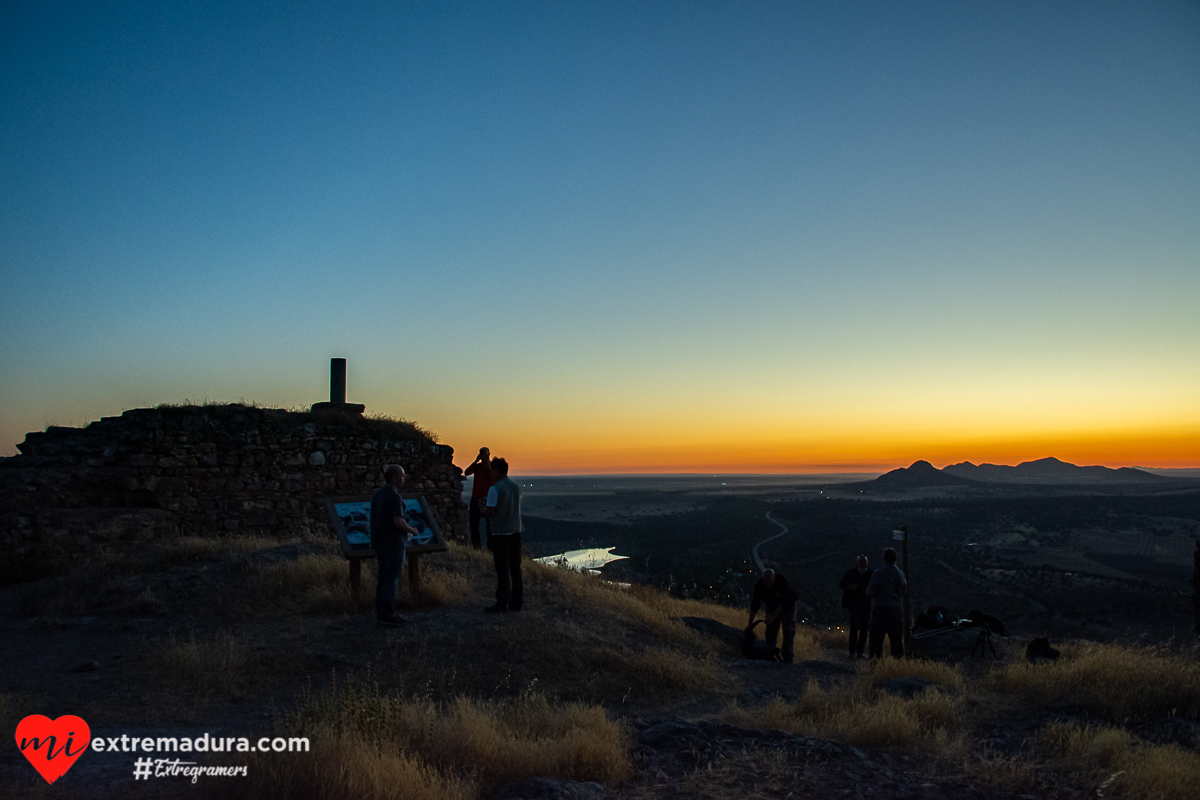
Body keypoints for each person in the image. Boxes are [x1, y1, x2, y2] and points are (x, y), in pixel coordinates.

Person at [370, 464, 419, 628]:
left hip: (379, 542)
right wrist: (412, 530)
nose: (404, 479)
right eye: (402, 476)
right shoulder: (395, 497)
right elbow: (398, 521)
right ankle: (388, 614)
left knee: (383, 578)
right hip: (393, 542)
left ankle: (380, 612)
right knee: (391, 579)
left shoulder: (378, 495)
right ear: (394, 478)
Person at [482, 457, 523, 613]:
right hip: (516, 531)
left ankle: (502, 602)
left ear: (497, 470)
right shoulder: (517, 487)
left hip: (500, 533)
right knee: (515, 568)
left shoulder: (495, 489)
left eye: (492, 470)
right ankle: (517, 601)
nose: (491, 473)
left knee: (502, 568)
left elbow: (491, 512)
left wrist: (482, 510)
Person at [747, 568, 798, 663]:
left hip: (788, 606)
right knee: (771, 630)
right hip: (772, 606)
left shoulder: (782, 581)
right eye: (765, 581)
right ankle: (769, 653)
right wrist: (750, 624)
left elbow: (787, 600)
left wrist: (774, 615)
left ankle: (788, 658)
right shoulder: (759, 586)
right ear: (762, 579)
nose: (768, 583)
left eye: (770, 580)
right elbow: (755, 605)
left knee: (788, 630)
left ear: (774, 577)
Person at [866, 547, 907, 659]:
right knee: (896, 641)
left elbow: (870, 592)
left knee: (876, 641)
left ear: (884, 558)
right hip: (897, 610)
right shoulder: (901, 574)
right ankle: (898, 667)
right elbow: (904, 591)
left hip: (881, 609)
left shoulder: (879, 573)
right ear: (895, 559)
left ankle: (875, 666)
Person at [838, 555, 873, 659]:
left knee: (864, 628)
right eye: (861, 562)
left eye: (864, 562)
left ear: (867, 563)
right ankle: (852, 652)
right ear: (857, 563)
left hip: (866, 604)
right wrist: (849, 586)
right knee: (855, 626)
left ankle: (860, 652)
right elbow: (841, 584)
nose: (863, 564)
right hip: (853, 604)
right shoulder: (851, 573)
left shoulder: (871, 573)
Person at [464, 447, 494, 549]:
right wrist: (475, 461)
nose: (484, 456)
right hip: (476, 498)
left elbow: (493, 479)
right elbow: (467, 472)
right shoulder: (477, 467)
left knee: (490, 525)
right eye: (482, 454)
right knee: (474, 524)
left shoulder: (492, 467)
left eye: (485, 454)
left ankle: (491, 546)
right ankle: (476, 546)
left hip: (488, 498)